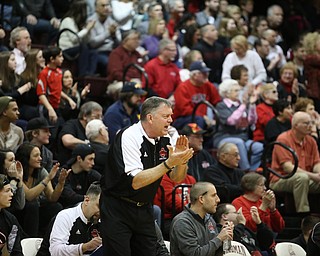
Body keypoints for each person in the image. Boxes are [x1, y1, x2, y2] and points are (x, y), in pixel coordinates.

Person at [100, 96, 194, 256]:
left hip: (144, 208)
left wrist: (182, 161)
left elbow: (177, 178)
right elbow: (136, 182)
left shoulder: (166, 137)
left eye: (171, 116)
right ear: (150, 117)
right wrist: (169, 163)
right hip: (117, 207)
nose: (171, 120)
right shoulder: (129, 136)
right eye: (166, 116)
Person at [270, 111, 320, 214]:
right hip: (281, 179)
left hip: (306, 178)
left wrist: (318, 174)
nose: (310, 126)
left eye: (311, 123)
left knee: (304, 178)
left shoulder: (311, 140)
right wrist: (314, 176)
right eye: (306, 123)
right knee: (301, 178)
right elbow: (288, 168)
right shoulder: (283, 139)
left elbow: (316, 163)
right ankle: (303, 215)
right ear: (296, 125)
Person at [15, 143, 69, 237]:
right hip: (18, 211)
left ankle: (50, 238)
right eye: (36, 156)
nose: (40, 158)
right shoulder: (17, 171)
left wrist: (61, 183)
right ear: (26, 158)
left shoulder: (41, 171)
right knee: (32, 205)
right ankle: (30, 240)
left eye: (40, 155)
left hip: (34, 211)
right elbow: (29, 196)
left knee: (56, 206)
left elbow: (52, 198)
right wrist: (48, 178)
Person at [38, 182, 102, 256]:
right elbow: (55, 251)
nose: (101, 212)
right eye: (99, 206)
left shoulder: (101, 221)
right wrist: (84, 247)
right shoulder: (66, 216)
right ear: (87, 200)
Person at [170, 181, 234, 256]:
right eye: (213, 196)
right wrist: (219, 239)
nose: (218, 200)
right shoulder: (182, 222)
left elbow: (216, 252)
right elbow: (195, 254)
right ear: (201, 199)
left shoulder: (209, 219)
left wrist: (226, 239)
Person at [214, 79, 263, 171]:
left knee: (259, 147)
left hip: (242, 138)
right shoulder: (221, 106)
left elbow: (251, 121)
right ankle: (246, 171)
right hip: (223, 137)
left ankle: (252, 169)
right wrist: (244, 105)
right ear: (227, 93)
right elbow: (231, 121)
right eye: (235, 91)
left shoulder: (239, 105)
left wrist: (252, 105)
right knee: (238, 142)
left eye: (239, 90)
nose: (238, 93)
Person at [173, 61, 221, 130]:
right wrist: (203, 117)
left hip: (202, 117)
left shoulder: (208, 85)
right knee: (199, 120)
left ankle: (206, 140)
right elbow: (185, 110)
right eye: (203, 73)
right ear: (194, 75)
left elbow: (217, 101)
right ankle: (196, 138)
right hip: (181, 120)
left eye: (207, 72)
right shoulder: (183, 87)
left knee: (214, 125)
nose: (206, 75)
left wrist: (215, 118)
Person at [37, 46, 76, 124]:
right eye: (60, 56)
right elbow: (41, 94)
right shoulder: (44, 73)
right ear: (52, 59)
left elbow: (57, 90)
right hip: (46, 107)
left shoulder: (59, 71)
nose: (62, 58)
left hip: (56, 106)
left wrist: (69, 99)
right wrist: (50, 109)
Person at [59, 0, 98, 77]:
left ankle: (90, 75)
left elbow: (86, 41)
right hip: (65, 49)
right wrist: (86, 29)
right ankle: (82, 75)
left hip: (76, 48)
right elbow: (74, 39)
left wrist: (88, 30)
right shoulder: (68, 20)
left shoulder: (79, 22)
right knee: (83, 47)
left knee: (94, 52)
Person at [57, 101, 103, 165]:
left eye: (101, 117)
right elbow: (67, 141)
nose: (99, 120)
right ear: (85, 116)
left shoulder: (96, 129)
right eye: (96, 117)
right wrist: (89, 145)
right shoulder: (72, 125)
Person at [57, 143, 101, 208]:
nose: (93, 163)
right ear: (79, 158)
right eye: (90, 159)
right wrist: (90, 199)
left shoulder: (92, 174)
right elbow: (69, 197)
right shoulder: (64, 173)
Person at [88, 0, 118, 76]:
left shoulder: (112, 21)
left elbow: (119, 42)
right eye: (103, 6)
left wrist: (114, 36)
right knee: (108, 63)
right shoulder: (90, 21)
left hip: (112, 51)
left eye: (107, 5)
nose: (106, 8)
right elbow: (92, 43)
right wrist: (108, 33)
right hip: (97, 52)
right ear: (96, 8)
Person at [0, 174, 24, 255]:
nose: (11, 194)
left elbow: (16, 251)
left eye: (11, 190)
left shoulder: (10, 220)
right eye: (7, 191)